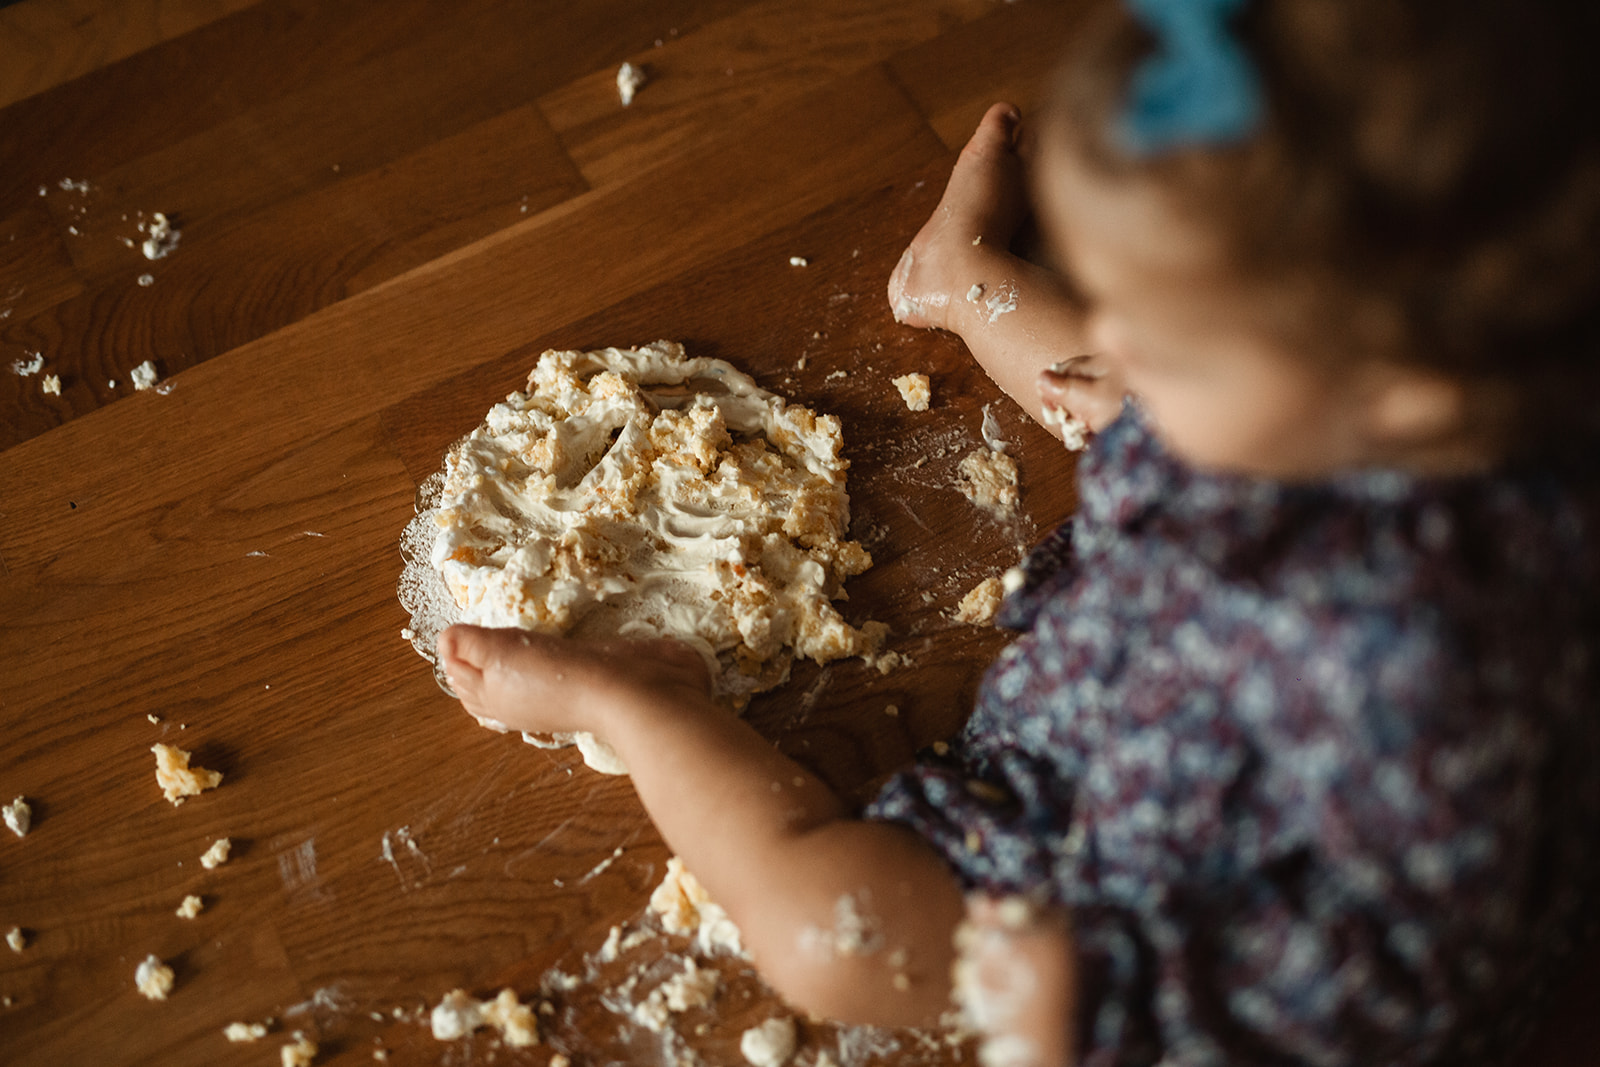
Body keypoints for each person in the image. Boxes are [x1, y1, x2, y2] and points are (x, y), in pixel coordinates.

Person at [437, 0, 1600, 1062]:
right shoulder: (1367, 409)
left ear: (1404, 388)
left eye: (1172, 333)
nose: (1117, 339)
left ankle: (645, 699)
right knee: (1116, 396)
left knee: (821, 940)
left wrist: (1082, 1009)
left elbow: (1372, 992)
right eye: (1116, 300)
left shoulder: (1424, 687)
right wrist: (1171, 390)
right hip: (1163, 666)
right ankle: (958, 278)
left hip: (1148, 887)